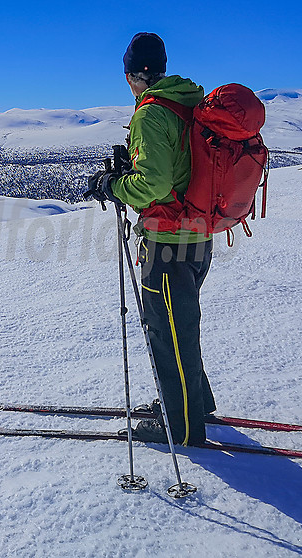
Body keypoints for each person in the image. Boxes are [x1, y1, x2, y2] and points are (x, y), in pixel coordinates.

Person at [96, 32, 215, 446]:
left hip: (168, 238)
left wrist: (114, 187)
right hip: (200, 234)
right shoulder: (189, 102)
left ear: (131, 75)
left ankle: (180, 427)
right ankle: (192, 403)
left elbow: (154, 183)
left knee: (166, 329)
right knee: (181, 322)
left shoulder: (151, 114)